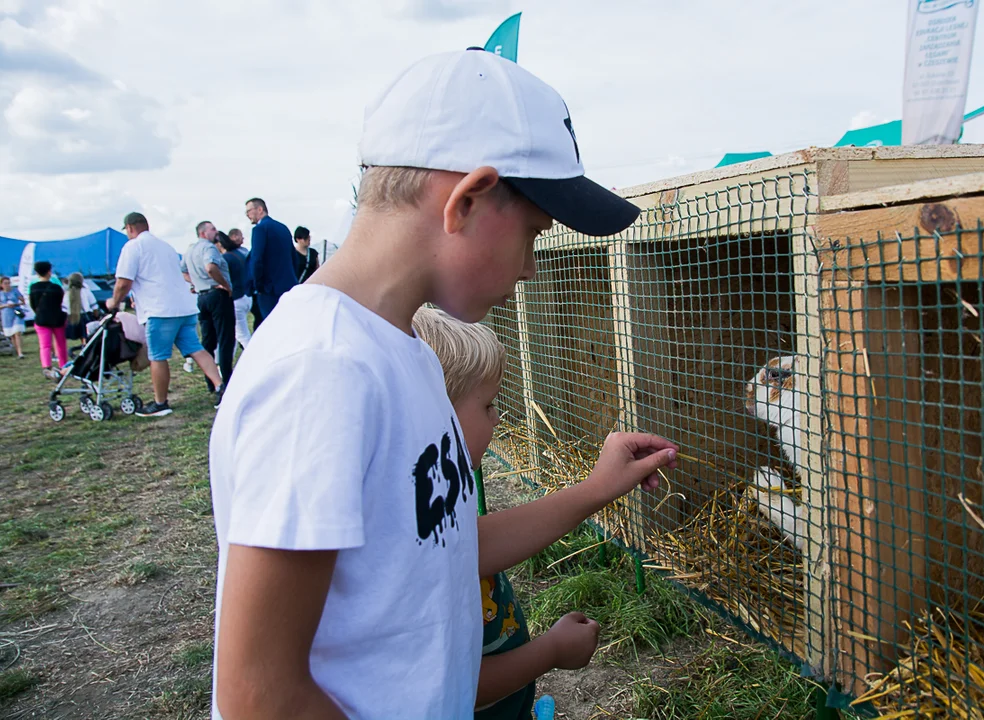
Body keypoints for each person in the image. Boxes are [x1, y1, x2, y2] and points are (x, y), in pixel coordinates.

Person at [208, 49, 666, 720]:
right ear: (468, 200)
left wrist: (596, 490)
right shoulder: (321, 373)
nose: (532, 269)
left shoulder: (405, 350)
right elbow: (260, 697)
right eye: (534, 234)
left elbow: (441, 550)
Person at [412, 306, 610, 720]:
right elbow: (460, 685)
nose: (498, 417)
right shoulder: (412, 533)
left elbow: (475, 543)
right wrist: (550, 651)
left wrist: (598, 489)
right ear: (436, 417)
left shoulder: (437, 493)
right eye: (487, 406)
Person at [106, 212, 224, 417]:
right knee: (195, 348)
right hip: (184, 307)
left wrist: (114, 303)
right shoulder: (166, 246)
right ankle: (220, 386)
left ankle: (160, 402)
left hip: (159, 310)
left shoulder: (133, 247)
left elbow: (123, 282)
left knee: (158, 356)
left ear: (130, 228)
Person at [181, 221, 236, 392]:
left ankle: (211, 381)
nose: (216, 231)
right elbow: (211, 267)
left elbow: (183, 271)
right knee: (225, 339)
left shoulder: (190, 250)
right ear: (203, 233)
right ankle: (226, 379)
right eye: (212, 229)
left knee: (208, 340)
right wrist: (224, 284)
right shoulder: (209, 248)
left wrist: (197, 283)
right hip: (217, 295)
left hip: (202, 297)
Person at [244, 197, 297, 324]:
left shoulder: (260, 229)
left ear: (260, 209)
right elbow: (294, 257)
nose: (247, 215)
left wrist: (258, 285)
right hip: (288, 285)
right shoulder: (283, 228)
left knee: (271, 325)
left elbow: (256, 259)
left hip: (269, 289)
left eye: (249, 211)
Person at [214, 231, 253, 351]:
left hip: (236, 299)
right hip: (246, 296)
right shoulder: (239, 254)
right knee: (235, 335)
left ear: (219, 244)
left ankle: (254, 357)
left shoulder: (225, 258)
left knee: (242, 335)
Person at [28, 261, 67, 377]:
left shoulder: (33, 288)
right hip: (57, 318)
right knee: (60, 343)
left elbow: (33, 304)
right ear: (49, 271)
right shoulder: (56, 288)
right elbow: (60, 302)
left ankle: (46, 366)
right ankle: (63, 365)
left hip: (41, 319)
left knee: (45, 345)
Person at [62, 272, 99, 345]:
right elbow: (94, 306)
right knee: (86, 335)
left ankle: (83, 345)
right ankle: (85, 346)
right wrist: (96, 316)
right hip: (86, 317)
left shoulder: (67, 294)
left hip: (72, 318)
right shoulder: (86, 291)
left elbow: (64, 309)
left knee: (80, 334)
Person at [0, 275, 27, 359]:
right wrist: (5, 305)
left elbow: (23, 301)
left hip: (16, 312)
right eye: (5, 283)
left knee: (17, 332)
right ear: (1, 285)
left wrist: (16, 304)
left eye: (8, 283)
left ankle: (20, 352)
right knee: (11, 334)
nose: (7, 285)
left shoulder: (15, 291)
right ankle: (16, 350)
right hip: (6, 314)